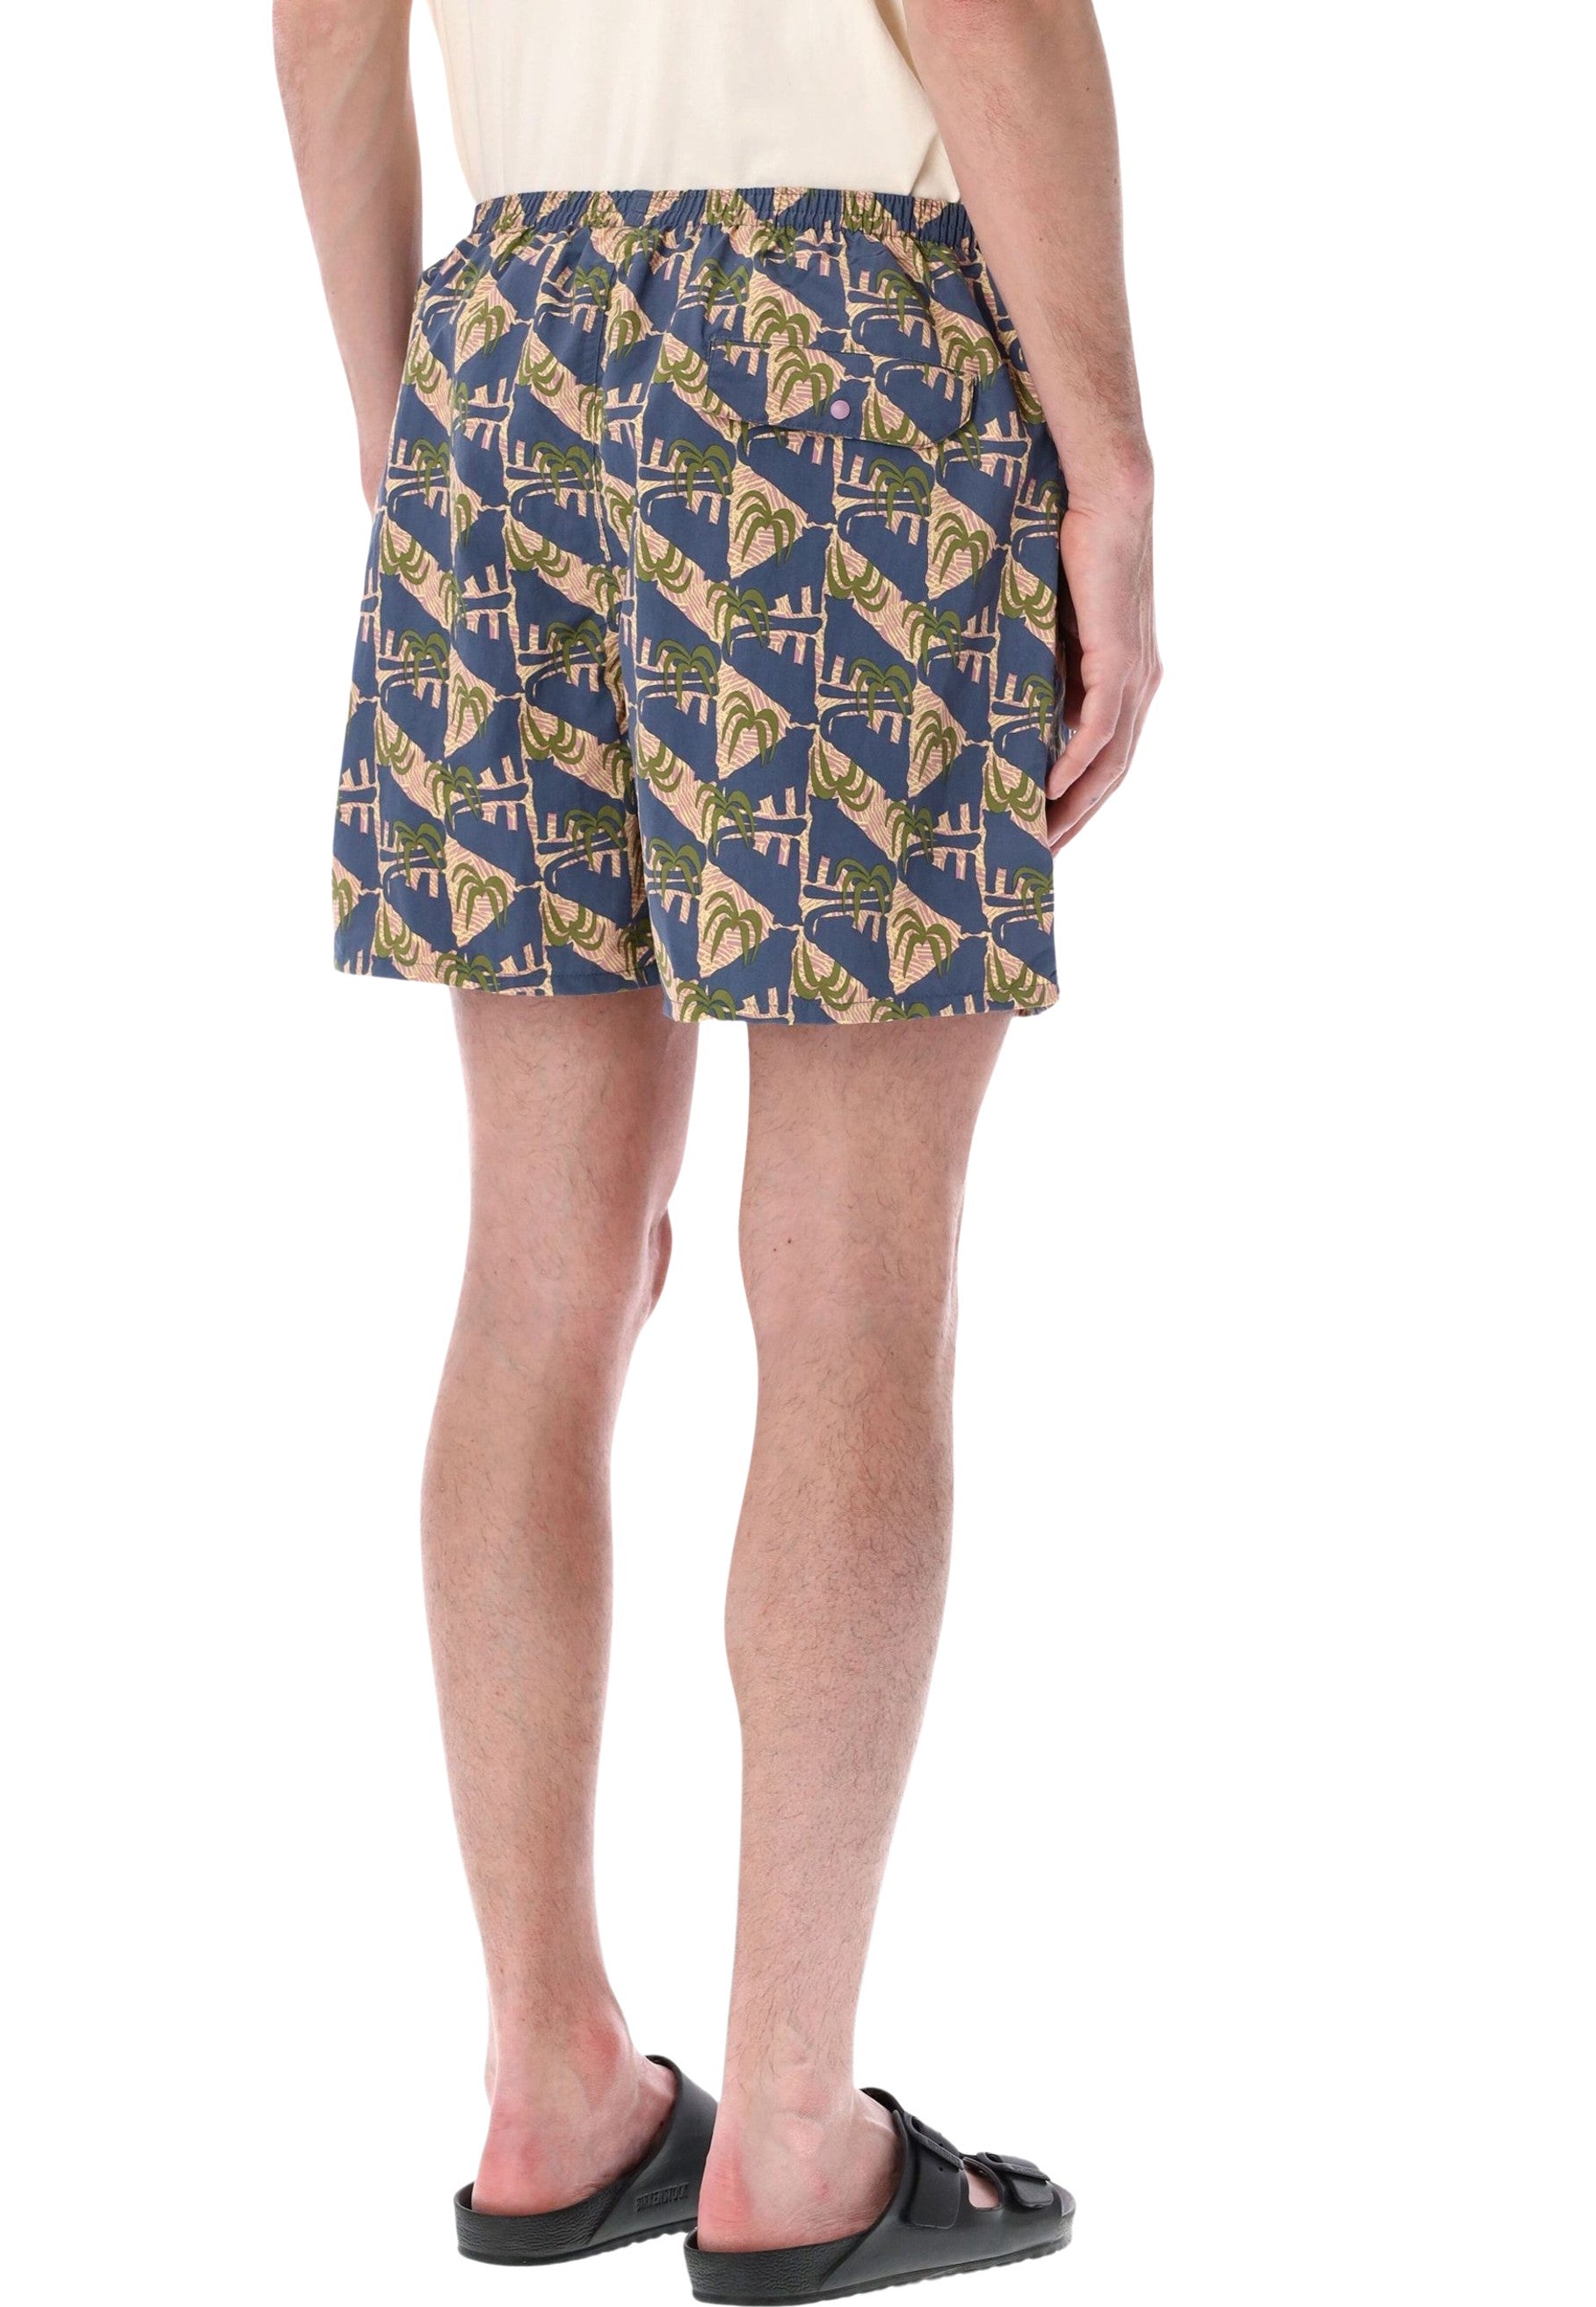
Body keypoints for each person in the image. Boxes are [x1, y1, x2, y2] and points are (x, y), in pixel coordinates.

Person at [276, 2, 1158, 2295]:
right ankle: (786, 2132)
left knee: (541, 1270)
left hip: (509, 344)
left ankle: (550, 2090)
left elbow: (326, 19)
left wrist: (405, 404)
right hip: (843, 343)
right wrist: (1110, 462)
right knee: (853, 1275)